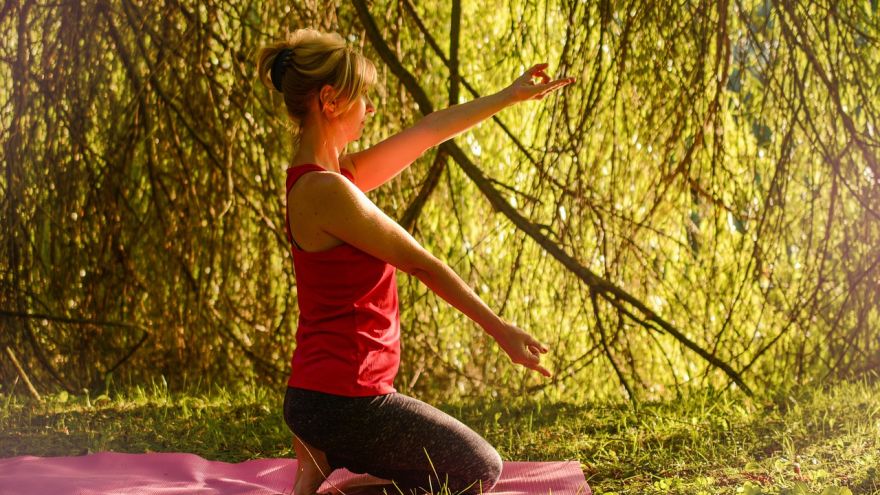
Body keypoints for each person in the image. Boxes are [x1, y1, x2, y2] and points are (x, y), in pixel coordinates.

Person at [256, 28, 574, 495]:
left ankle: (319, 462)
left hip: (322, 396)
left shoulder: (332, 177)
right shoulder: (328, 191)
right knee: (477, 470)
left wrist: (510, 95)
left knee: (447, 469)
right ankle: (326, 468)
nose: (371, 108)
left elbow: (428, 132)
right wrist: (501, 330)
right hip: (345, 402)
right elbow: (423, 265)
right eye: (363, 96)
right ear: (329, 100)